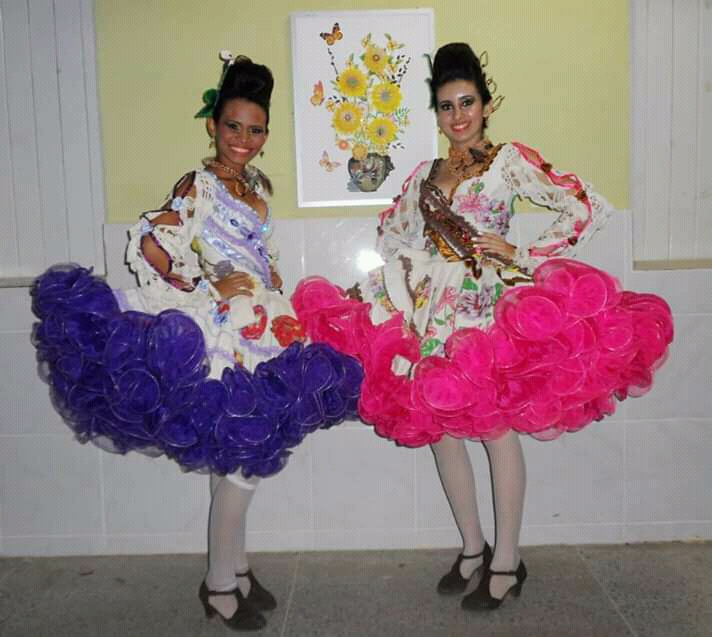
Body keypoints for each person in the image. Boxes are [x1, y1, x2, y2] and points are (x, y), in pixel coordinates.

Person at [291, 42, 673, 611]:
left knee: (495, 431)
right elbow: (393, 236)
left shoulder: (508, 162)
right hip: (433, 314)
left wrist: (522, 253)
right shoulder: (426, 175)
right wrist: (411, 273)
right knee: (442, 429)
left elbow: (586, 206)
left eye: (467, 102)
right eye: (446, 106)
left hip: (489, 309)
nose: (458, 116)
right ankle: (473, 549)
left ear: (487, 105)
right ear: (437, 112)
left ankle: (507, 561)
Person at [31, 52, 361, 631]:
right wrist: (209, 284)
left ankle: (237, 568)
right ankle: (219, 586)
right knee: (243, 460)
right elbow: (151, 245)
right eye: (233, 126)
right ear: (213, 125)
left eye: (255, 130)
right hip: (224, 333)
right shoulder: (200, 185)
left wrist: (277, 303)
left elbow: (262, 261)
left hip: (263, 327)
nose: (244, 140)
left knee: (239, 450)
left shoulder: (255, 188)